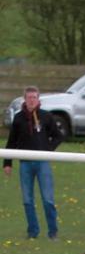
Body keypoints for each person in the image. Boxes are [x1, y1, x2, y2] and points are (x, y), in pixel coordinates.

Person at [3, 86, 64, 240]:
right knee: (27, 200)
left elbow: (58, 136)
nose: (31, 100)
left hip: (42, 163)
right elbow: (11, 142)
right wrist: (7, 163)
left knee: (48, 199)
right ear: (25, 99)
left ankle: (53, 232)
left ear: (38, 100)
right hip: (25, 164)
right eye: (29, 98)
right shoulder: (18, 118)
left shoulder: (46, 116)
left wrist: (48, 149)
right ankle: (33, 232)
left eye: (34, 97)